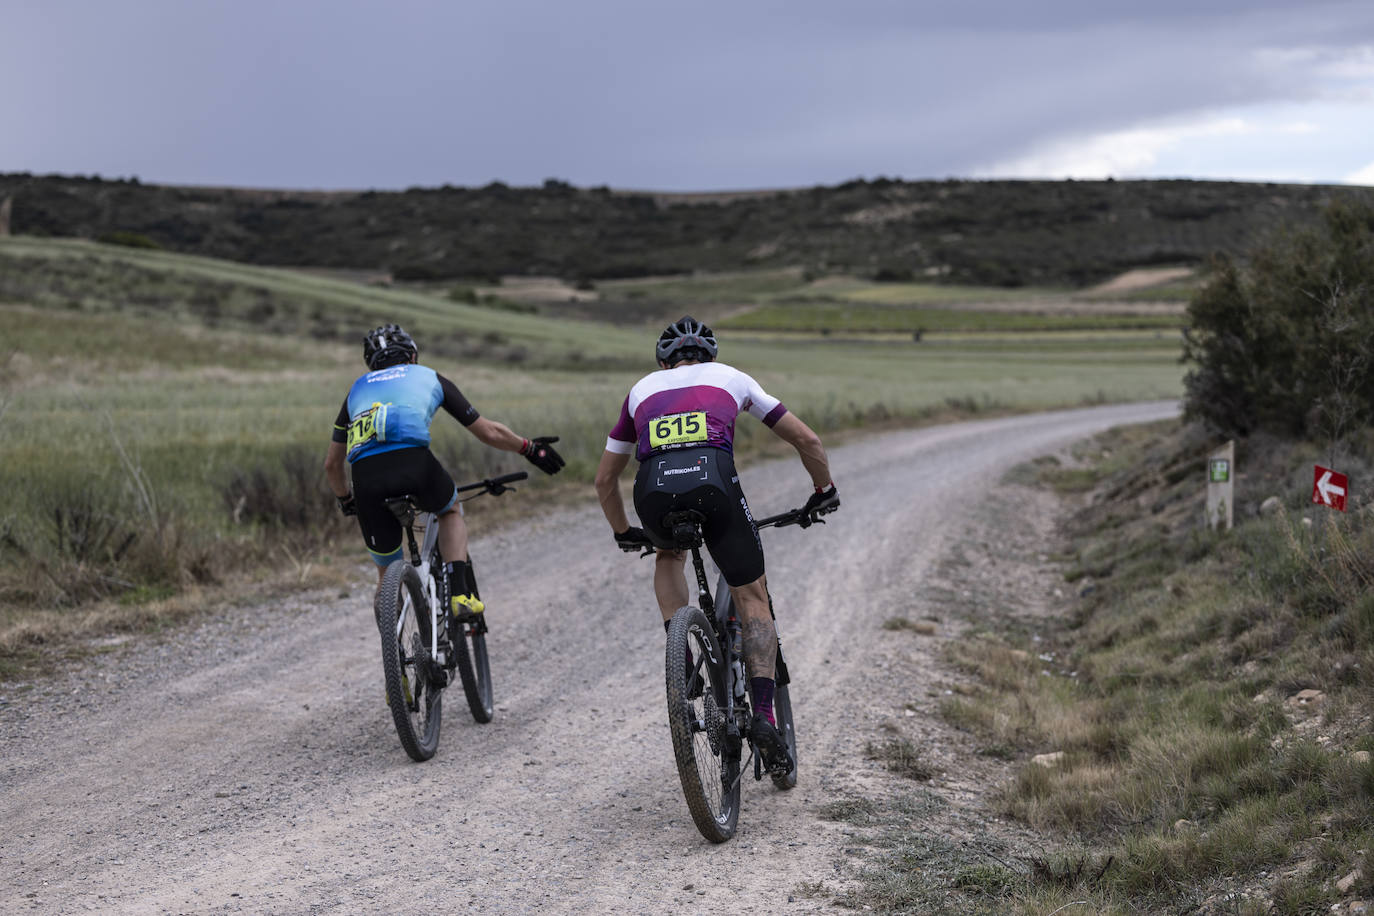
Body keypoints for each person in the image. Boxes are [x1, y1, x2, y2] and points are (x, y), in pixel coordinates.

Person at [593, 316, 838, 775]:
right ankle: (763, 714)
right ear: (710, 355)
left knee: (669, 555)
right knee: (752, 595)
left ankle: (682, 656)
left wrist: (623, 530)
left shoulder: (640, 390)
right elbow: (806, 438)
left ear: (664, 362)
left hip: (654, 491)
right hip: (715, 485)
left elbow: (605, 479)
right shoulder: (732, 378)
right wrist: (823, 490)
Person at [324, 323, 564, 621]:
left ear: (370, 365)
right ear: (413, 357)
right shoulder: (429, 376)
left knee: (385, 576)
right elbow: (488, 431)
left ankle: (392, 644)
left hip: (365, 476)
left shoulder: (356, 390)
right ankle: (461, 596)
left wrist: (346, 499)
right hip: (413, 463)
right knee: (449, 510)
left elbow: (332, 464)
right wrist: (529, 448)